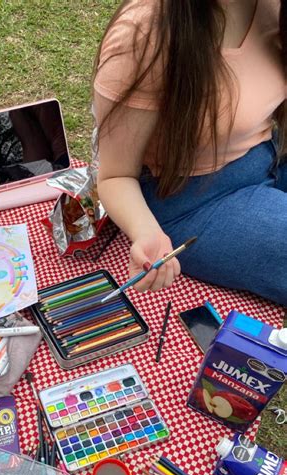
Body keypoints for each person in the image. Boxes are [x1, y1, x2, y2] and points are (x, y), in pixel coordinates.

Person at [93, 0, 287, 305]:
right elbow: (115, 174)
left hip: (270, 153)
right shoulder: (145, 32)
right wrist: (146, 232)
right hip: (190, 200)